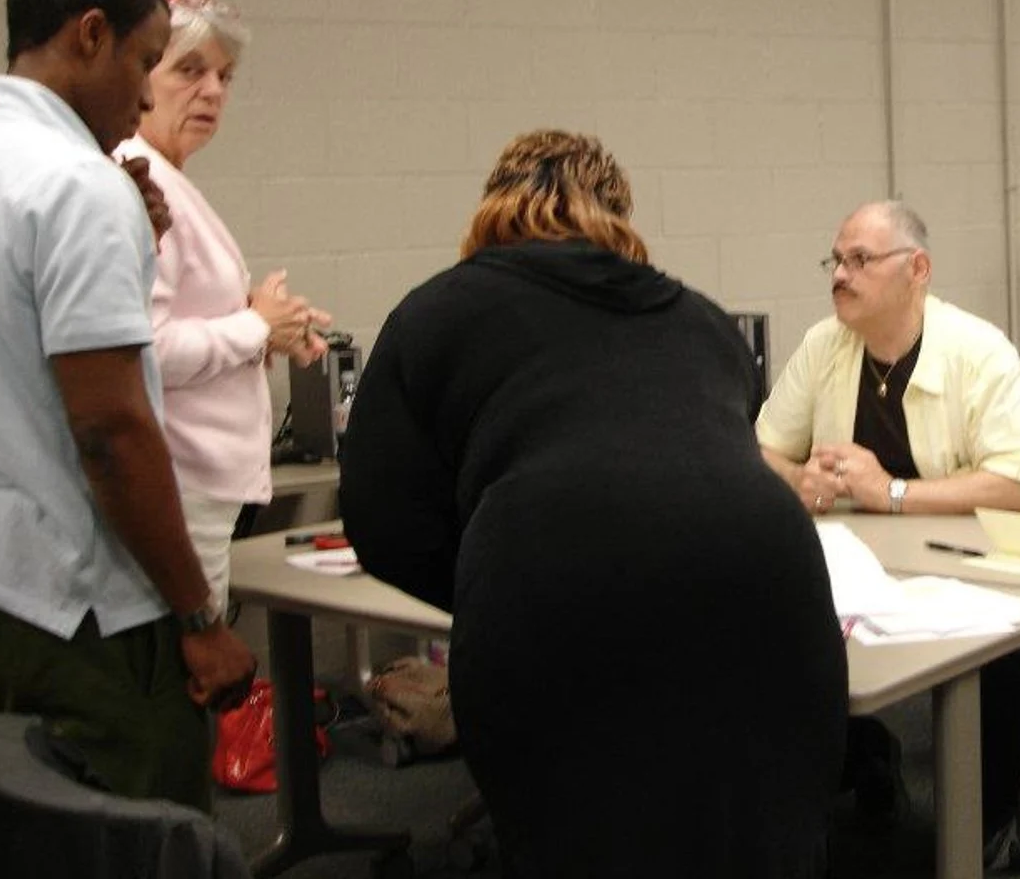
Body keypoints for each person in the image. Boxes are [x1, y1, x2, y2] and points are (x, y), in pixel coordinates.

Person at [338, 130, 846, 879]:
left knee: (582, 842)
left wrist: (495, 584)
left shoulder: (435, 313)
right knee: (757, 835)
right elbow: (722, 462)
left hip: (557, 590)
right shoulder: (702, 319)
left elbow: (382, 523)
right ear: (621, 213)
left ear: (492, 208)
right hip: (772, 588)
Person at [0, 0, 256, 812]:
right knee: (138, 831)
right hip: (89, 605)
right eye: (145, 60)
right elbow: (111, 429)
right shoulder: (79, 187)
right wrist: (201, 617)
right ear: (88, 36)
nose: (146, 94)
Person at [756, 200, 1020, 858]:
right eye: (835, 260)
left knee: (997, 660)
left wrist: (890, 493)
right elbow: (763, 448)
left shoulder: (979, 352)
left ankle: (986, 831)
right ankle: (864, 766)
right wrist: (797, 480)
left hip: (974, 563)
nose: (840, 274)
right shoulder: (823, 345)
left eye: (858, 259)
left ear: (917, 269)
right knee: (778, 627)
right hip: (860, 561)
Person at [116, 0, 331, 612]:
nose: (213, 91)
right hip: (175, 488)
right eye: (189, 70)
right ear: (139, 75)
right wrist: (253, 329)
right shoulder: (136, 179)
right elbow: (142, 349)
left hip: (194, 486)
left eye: (224, 76)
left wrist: (262, 321)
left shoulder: (167, 178)